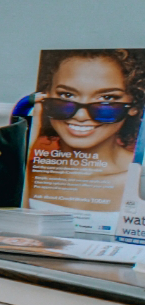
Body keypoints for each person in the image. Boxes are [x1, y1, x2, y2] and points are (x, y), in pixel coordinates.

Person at [26, 49, 143, 218]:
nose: (81, 116)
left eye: (107, 98)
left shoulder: (139, 179)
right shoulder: (27, 173)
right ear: (43, 98)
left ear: (134, 105)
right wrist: (21, 148)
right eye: (66, 95)